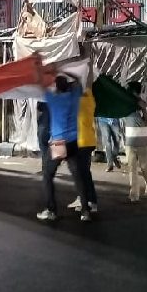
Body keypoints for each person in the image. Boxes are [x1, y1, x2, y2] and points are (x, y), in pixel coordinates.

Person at [38, 75, 92, 222]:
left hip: (58, 143)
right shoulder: (74, 97)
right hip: (73, 142)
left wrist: (40, 68)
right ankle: (85, 211)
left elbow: (41, 83)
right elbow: (79, 82)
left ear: (56, 87)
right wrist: (70, 73)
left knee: (48, 175)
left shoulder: (53, 99)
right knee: (77, 176)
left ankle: (51, 210)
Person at [67, 86, 98, 214]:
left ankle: (88, 201)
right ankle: (87, 199)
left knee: (81, 173)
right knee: (84, 173)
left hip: (81, 142)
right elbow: (88, 84)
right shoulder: (90, 100)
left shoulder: (77, 103)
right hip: (89, 140)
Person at [123, 81, 147, 202]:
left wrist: (143, 108)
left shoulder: (143, 104)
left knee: (144, 167)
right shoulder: (125, 105)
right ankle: (134, 194)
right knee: (132, 168)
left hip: (142, 141)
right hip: (130, 141)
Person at [36, 101, 51, 176]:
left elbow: (39, 110)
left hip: (44, 126)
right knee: (45, 147)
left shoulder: (44, 100)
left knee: (43, 146)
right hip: (47, 125)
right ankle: (47, 168)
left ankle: (46, 169)